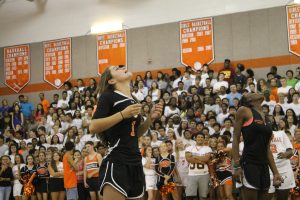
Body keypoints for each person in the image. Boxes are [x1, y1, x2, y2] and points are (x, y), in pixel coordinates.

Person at [89, 65, 163, 200]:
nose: (122, 67)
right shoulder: (108, 96)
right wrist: (122, 114)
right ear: (111, 81)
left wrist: (150, 119)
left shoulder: (133, 99)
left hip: (135, 162)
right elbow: (93, 126)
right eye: (116, 69)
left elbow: (134, 133)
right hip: (117, 161)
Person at [232, 93, 283, 200]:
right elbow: (236, 138)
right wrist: (236, 166)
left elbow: (267, 148)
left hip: (264, 165)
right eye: (251, 93)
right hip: (249, 163)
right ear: (249, 100)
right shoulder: (243, 110)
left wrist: (275, 172)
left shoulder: (265, 117)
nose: (255, 92)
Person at [185, 133, 212, 200]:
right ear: (195, 138)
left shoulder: (207, 148)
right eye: (198, 137)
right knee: (190, 197)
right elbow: (189, 159)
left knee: (203, 196)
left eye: (202, 137)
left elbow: (206, 159)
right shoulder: (189, 148)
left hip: (204, 174)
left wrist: (194, 156)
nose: (200, 138)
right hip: (191, 174)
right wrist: (201, 161)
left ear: (204, 139)